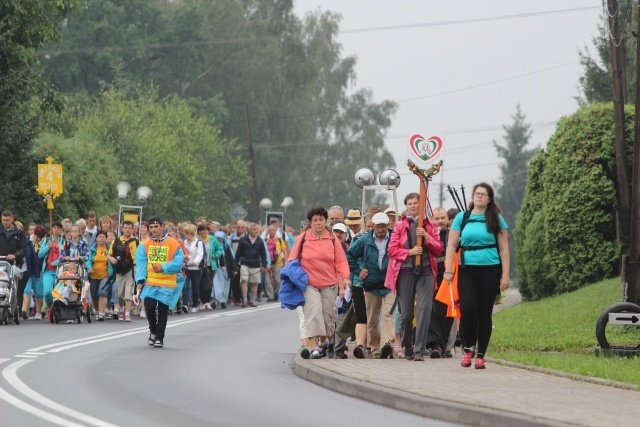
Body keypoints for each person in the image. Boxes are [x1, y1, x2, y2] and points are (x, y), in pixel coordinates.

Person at [443, 182, 510, 369]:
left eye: (483, 194)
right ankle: (468, 348)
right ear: (473, 197)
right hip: (467, 269)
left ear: (489, 198)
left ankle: (481, 354)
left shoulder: (496, 219)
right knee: (467, 308)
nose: (479, 196)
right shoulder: (461, 218)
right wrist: (448, 269)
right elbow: (451, 245)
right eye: (477, 193)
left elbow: (504, 248)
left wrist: (505, 275)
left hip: (490, 269)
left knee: (484, 312)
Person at [385, 193, 443, 361]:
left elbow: (439, 249)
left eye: (415, 203)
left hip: (425, 271)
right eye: (409, 203)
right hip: (405, 272)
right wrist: (409, 252)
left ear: (421, 204)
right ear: (406, 206)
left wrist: (426, 237)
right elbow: (392, 250)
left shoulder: (429, 225)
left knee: (424, 310)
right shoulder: (400, 226)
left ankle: (419, 350)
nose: (412, 206)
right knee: (407, 314)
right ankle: (407, 343)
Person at [288, 207, 351, 359]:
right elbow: (292, 260)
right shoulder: (302, 239)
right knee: (314, 313)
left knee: (327, 318)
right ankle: (315, 347)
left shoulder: (332, 239)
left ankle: (323, 343)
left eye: (321, 220)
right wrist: (292, 278)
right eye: (315, 220)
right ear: (310, 222)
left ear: (326, 221)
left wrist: (345, 277)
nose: (318, 223)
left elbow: (341, 261)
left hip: (329, 284)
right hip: (309, 284)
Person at [347, 212, 394, 359]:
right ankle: (375, 349)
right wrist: (358, 271)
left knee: (388, 315)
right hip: (371, 284)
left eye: (383, 227)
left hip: (390, 284)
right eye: (378, 227)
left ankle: (386, 344)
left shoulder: (395, 238)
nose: (380, 230)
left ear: (388, 226)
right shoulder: (364, 240)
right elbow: (350, 255)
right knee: (372, 320)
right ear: (373, 226)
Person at [136, 216, 185, 348]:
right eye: (151, 227)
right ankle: (153, 330)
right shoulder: (145, 245)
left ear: (162, 227)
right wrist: (140, 280)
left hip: (167, 283)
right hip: (151, 283)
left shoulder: (173, 243)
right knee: (149, 307)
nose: (153, 229)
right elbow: (140, 264)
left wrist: (164, 267)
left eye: (156, 227)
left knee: (163, 311)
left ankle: (159, 337)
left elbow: (179, 263)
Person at [107, 220, 139, 322]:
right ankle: (121, 309)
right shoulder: (116, 241)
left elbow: (139, 256)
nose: (128, 230)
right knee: (119, 292)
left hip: (131, 269)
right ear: (122, 229)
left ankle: (127, 312)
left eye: (130, 228)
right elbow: (109, 254)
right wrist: (111, 259)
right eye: (126, 228)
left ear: (133, 229)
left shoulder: (136, 242)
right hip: (119, 269)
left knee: (129, 291)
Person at [234, 223, 268, 307]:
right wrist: (235, 265)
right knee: (244, 280)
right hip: (244, 263)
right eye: (254, 229)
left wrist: (264, 265)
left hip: (255, 263)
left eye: (257, 229)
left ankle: (252, 300)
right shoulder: (243, 239)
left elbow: (263, 253)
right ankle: (245, 300)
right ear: (249, 230)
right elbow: (238, 253)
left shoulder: (260, 240)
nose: (256, 231)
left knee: (254, 282)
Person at [38, 221, 66, 319]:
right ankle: (50, 308)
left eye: (58, 228)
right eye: (54, 227)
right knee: (47, 292)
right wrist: (47, 247)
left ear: (61, 230)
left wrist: (56, 262)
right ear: (51, 229)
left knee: (59, 293)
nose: (56, 229)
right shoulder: (47, 241)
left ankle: (59, 310)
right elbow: (40, 254)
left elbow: (65, 256)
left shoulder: (64, 242)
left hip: (61, 271)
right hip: (48, 271)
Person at [86, 230, 113, 321]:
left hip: (105, 274)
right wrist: (89, 268)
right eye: (99, 237)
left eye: (103, 237)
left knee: (102, 292)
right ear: (96, 239)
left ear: (106, 238)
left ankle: (102, 313)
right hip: (94, 275)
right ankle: (97, 311)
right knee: (94, 295)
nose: (101, 239)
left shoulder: (109, 249)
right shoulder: (92, 249)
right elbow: (88, 260)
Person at [182, 224, 204, 312]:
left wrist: (196, 261)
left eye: (186, 234)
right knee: (185, 286)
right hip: (186, 267)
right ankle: (185, 304)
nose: (185, 236)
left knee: (195, 286)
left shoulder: (198, 243)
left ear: (191, 234)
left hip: (196, 268)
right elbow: (183, 252)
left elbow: (200, 254)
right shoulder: (184, 242)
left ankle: (195, 305)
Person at [264, 224, 287, 302]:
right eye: (270, 230)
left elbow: (284, 251)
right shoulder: (265, 240)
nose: (271, 232)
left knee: (277, 280)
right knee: (267, 280)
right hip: (267, 263)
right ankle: (271, 296)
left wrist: (286, 260)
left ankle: (277, 293)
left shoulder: (279, 240)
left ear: (276, 231)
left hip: (278, 263)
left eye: (273, 230)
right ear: (268, 231)